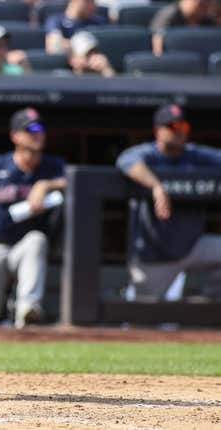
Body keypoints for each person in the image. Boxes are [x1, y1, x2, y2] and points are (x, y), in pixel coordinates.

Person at [0, 108, 66, 328]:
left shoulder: (52, 166)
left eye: (41, 128)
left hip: (24, 245)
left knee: (37, 239)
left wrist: (46, 184)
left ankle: (28, 308)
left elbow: (72, 180)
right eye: (31, 129)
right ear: (15, 135)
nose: (38, 133)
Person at [116, 104, 221, 302]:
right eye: (172, 127)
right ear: (158, 130)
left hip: (192, 247)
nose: (179, 131)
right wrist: (156, 186)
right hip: (155, 256)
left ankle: (208, 301)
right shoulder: (148, 154)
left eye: (183, 127)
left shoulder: (195, 155)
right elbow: (125, 160)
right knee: (142, 317)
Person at [150, 0, 217, 55]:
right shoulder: (169, 14)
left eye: (207, 4)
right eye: (201, 4)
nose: (205, 8)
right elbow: (157, 37)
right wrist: (160, 58)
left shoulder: (208, 20)